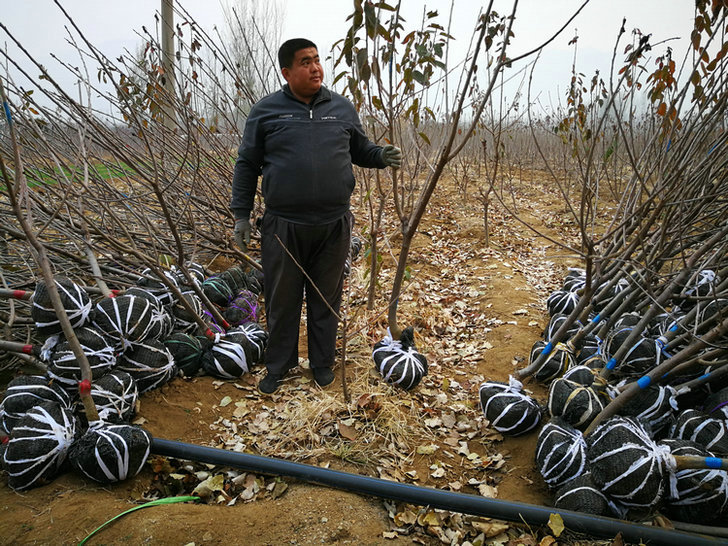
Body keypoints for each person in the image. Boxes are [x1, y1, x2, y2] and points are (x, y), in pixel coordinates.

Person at [231, 38, 402, 395]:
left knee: (327, 298)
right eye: (305, 62)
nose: (315, 68)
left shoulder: (341, 108)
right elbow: (247, 164)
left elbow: (360, 149)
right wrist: (241, 216)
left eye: (317, 60)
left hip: (332, 224)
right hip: (283, 225)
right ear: (286, 72)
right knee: (282, 298)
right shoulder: (266, 111)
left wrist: (380, 155)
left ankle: (322, 363)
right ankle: (279, 365)